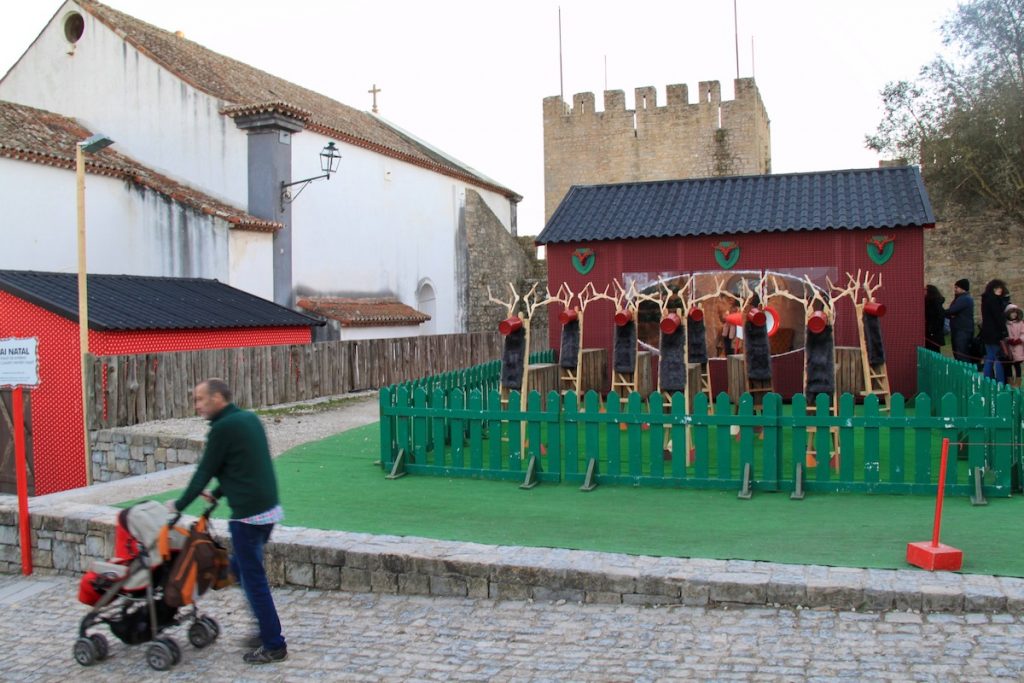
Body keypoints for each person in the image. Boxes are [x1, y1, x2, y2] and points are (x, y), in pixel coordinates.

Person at [170, 378, 287, 665]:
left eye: (201, 399)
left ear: (218, 398)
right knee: (241, 569)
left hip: (247, 517)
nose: (197, 406)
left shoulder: (222, 429)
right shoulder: (248, 419)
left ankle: (274, 644)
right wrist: (220, 492)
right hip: (267, 510)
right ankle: (263, 629)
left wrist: (177, 507)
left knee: (253, 579)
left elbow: (204, 471)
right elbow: (245, 463)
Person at [979, 279, 1010, 383]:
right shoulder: (994, 300)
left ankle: (987, 379)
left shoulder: (986, 299)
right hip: (995, 333)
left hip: (987, 332)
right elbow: (998, 317)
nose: (1000, 290)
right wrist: (1004, 331)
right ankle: (1000, 380)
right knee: (998, 358)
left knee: (990, 357)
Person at [945, 279, 975, 363]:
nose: (955, 289)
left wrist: (944, 312)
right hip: (958, 329)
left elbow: (952, 310)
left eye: (957, 287)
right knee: (958, 353)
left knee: (961, 353)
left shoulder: (964, 299)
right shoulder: (960, 298)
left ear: (962, 288)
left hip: (962, 330)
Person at [1005, 304, 1024, 387]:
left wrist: (1020, 340)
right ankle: (1010, 383)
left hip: (1018, 347)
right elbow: (1004, 334)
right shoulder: (1006, 324)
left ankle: (1018, 383)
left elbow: (1023, 333)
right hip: (1009, 348)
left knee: (1017, 366)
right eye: (1012, 313)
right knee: (1008, 366)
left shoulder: (1020, 323)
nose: (1014, 314)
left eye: (1015, 313)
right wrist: (1008, 340)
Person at [924, 284, 945, 352]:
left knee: (934, 351)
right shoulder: (928, 302)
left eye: (925, 290)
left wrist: (932, 330)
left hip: (934, 334)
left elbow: (939, 318)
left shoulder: (936, 303)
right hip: (929, 332)